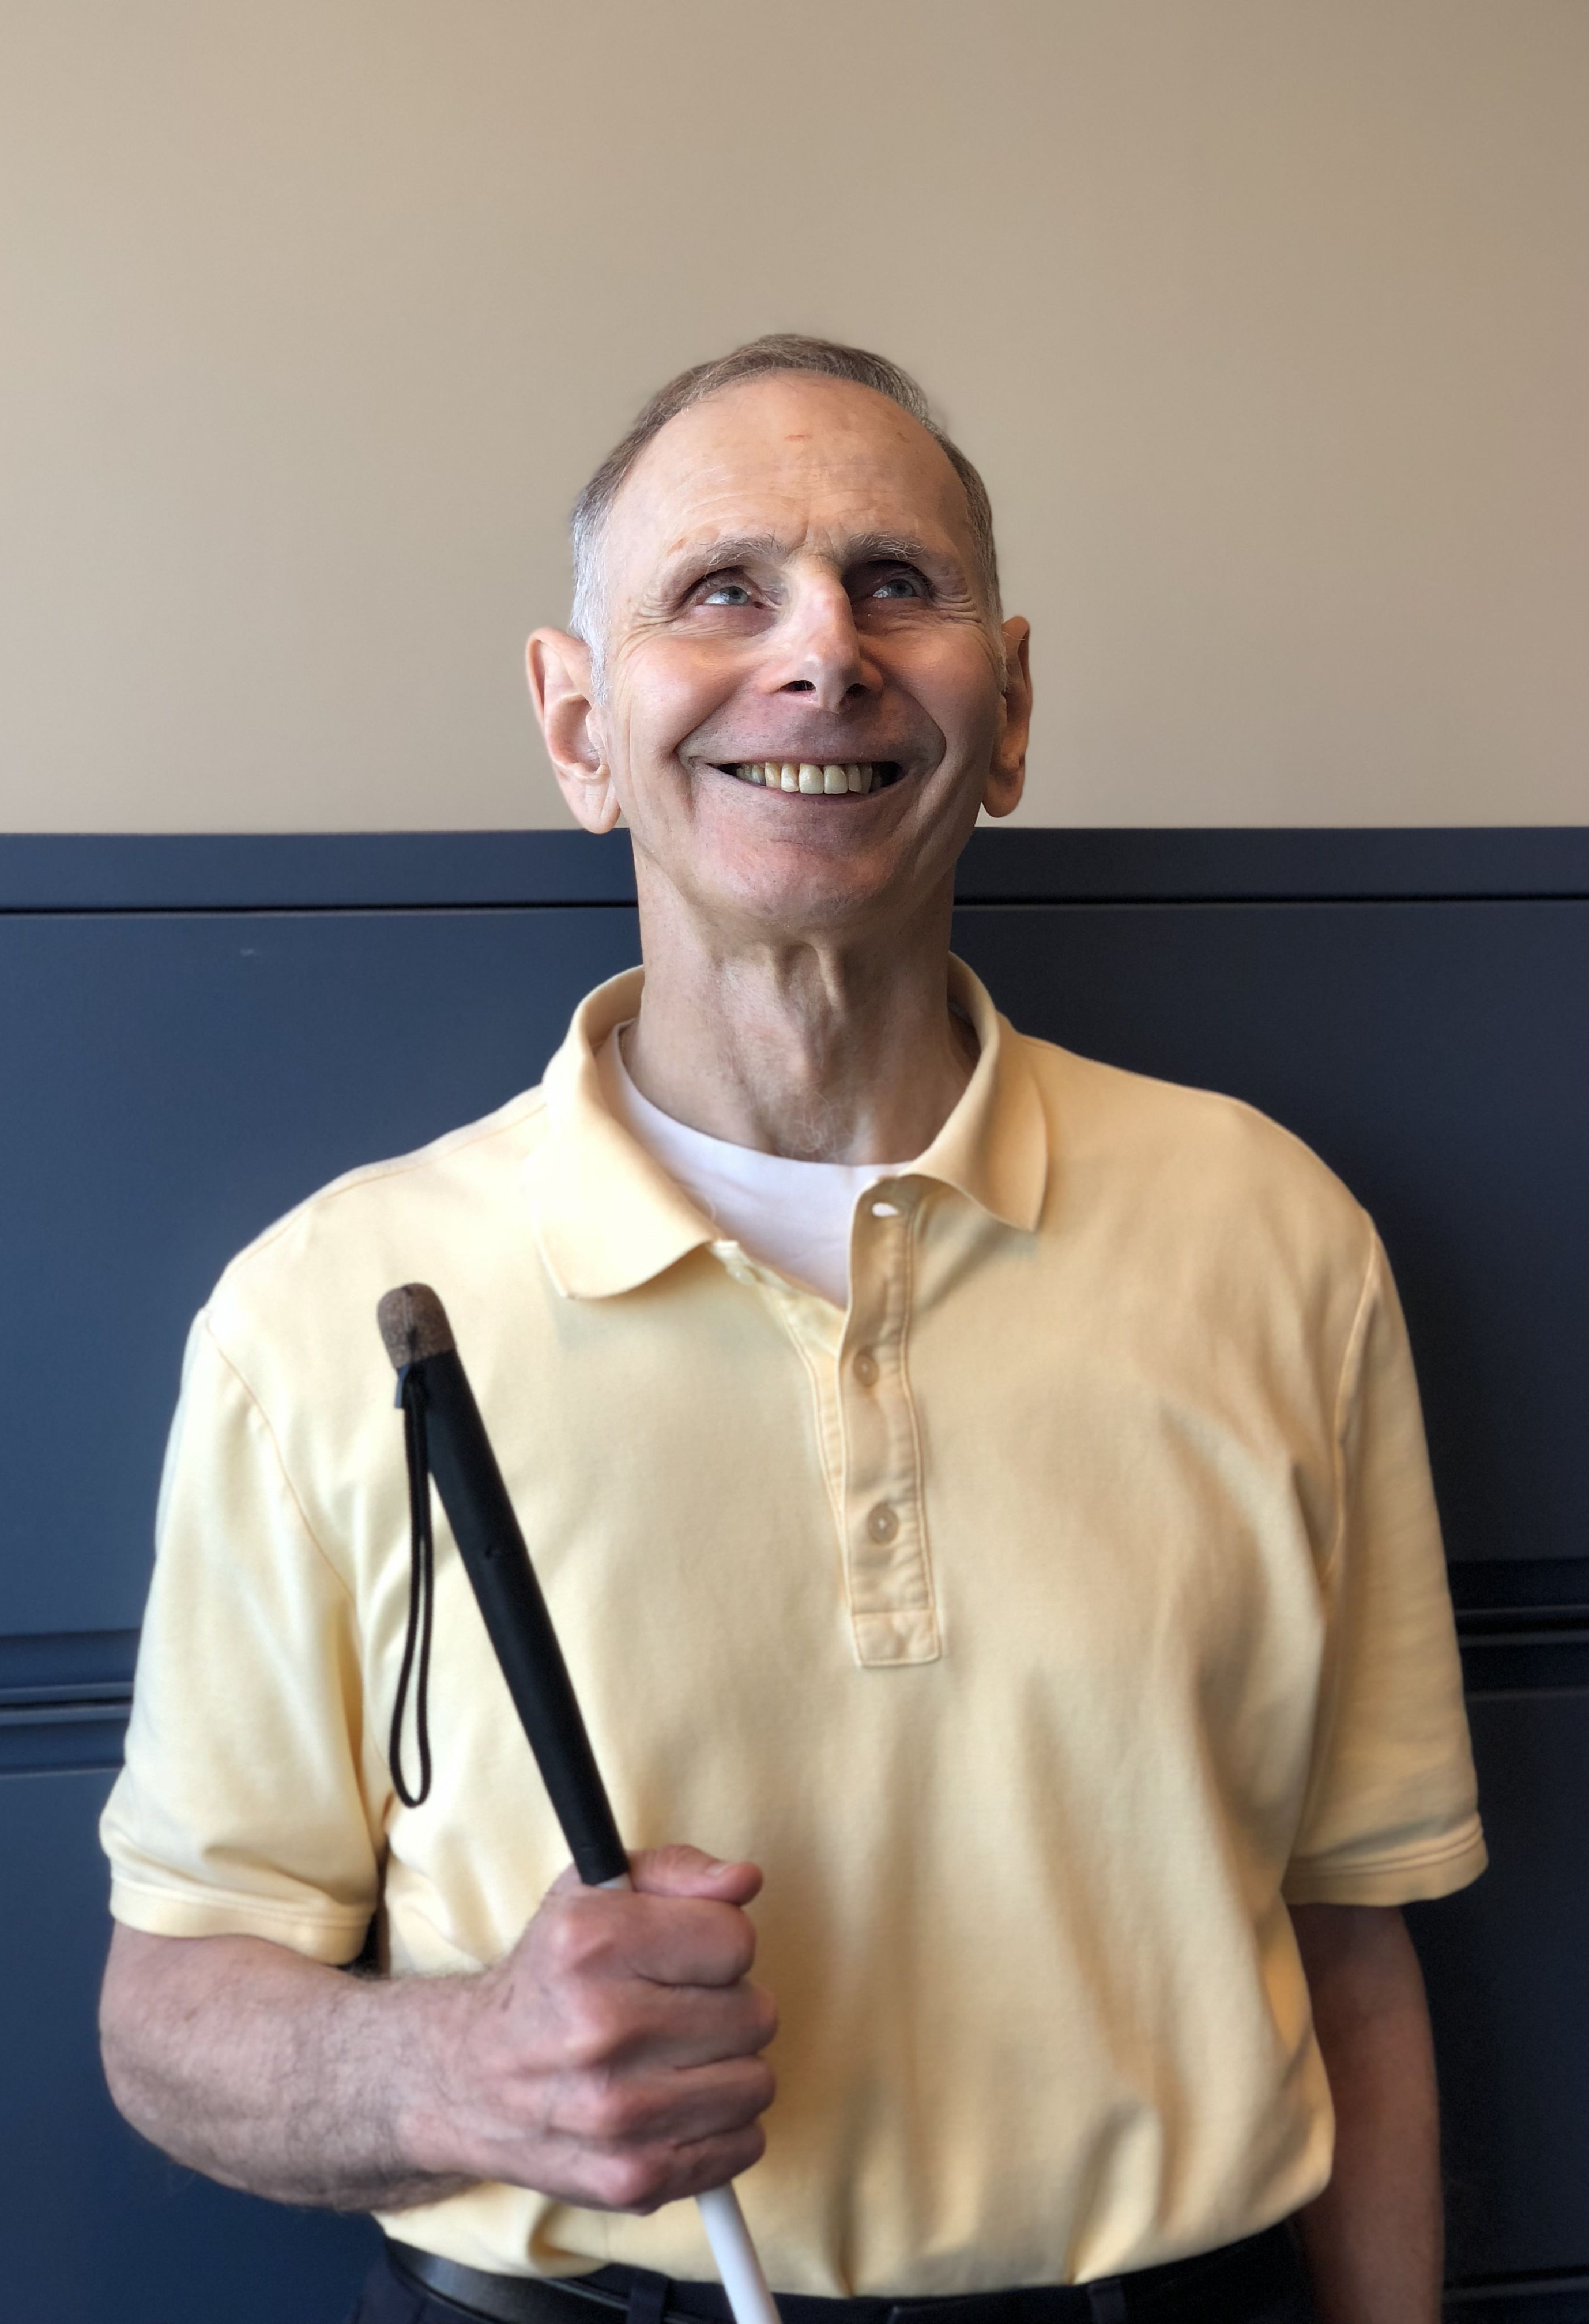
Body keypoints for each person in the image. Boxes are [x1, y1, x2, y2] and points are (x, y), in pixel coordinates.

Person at [98, 337, 1483, 2324]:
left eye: (895, 585)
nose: (822, 653)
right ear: (579, 726)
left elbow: (1354, 1953)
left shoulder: (1278, 1235)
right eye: (722, 590)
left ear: (1006, 717)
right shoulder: (327, 1308)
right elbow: (171, 2013)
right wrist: (462, 2065)